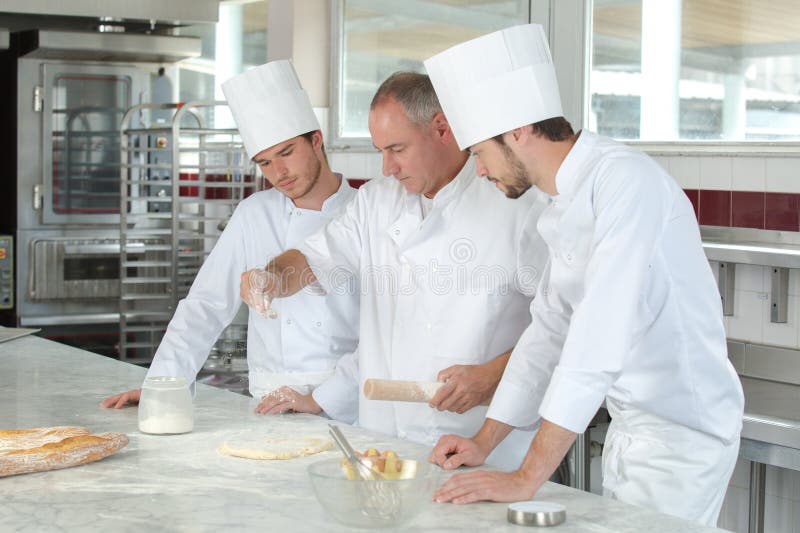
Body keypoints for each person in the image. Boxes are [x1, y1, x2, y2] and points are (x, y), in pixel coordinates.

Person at [423, 24, 745, 526]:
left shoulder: (626, 184)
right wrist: (484, 441)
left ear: (517, 131)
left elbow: (597, 338)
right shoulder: (560, 202)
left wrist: (526, 476)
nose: (480, 173)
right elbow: (549, 331)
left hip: (684, 437)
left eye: (480, 153)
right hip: (631, 429)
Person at [241, 72, 549, 470]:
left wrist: (491, 374)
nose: (387, 167)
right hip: (388, 444)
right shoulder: (377, 201)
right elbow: (313, 259)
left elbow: (563, 326)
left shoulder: (518, 204)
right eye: (379, 151)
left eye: (397, 149)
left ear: (442, 128)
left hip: (486, 447)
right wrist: (270, 278)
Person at [102, 60, 360, 421]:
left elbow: (382, 335)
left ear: (315, 140)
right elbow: (205, 305)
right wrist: (162, 386)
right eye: (265, 162)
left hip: (347, 407)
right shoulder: (254, 213)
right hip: (268, 403)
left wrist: (328, 397)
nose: (278, 173)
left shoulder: (366, 213)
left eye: (286, 153)